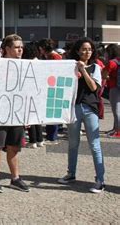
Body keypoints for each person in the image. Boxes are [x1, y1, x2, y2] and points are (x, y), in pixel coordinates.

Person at [58, 38, 106, 193]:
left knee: (94, 145)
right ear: (78, 51)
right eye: (84, 49)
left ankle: (100, 179)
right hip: (74, 108)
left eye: (90, 49)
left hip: (90, 109)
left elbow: (93, 88)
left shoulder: (95, 67)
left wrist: (83, 70)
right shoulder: (70, 66)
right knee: (73, 143)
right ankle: (71, 173)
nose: (87, 52)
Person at [0, 34, 30, 193]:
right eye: (17, 47)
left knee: (14, 147)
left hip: (17, 112)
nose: (20, 50)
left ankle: (15, 178)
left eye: (21, 47)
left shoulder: (26, 66)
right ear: (6, 49)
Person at [37, 39, 62, 144]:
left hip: (54, 86)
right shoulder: (49, 56)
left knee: (52, 112)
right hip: (49, 85)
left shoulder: (55, 57)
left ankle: (52, 137)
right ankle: (50, 135)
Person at [102, 44, 120, 138]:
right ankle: (115, 128)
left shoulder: (112, 62)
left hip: (114, 87)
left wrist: (110, 77)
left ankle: (118, 132)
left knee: (116, 110)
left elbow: (104, 75)